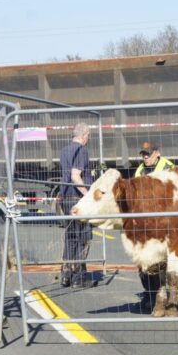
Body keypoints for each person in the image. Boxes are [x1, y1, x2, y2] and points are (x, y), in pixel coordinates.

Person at [134, 141, 174, 309]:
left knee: (164, 262)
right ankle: (150, 293)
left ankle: (167, 296)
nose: (145, 157)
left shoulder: (168, 168)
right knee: (144, 262)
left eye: (148, 154)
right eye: (143, 153)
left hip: (164, 222)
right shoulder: (140, 169)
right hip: (146, 222)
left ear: (157, 153)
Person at [59, 122, 96, 288]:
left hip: (66, 198)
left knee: (70, 237)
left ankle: (66, 274)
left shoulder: (64, 151)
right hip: (78, 199)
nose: (88, 139)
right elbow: (75, 176)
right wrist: (87, 195)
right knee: (83, 238)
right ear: (84, 135)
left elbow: (67, 175)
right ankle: (79, 277)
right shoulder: (82, 150)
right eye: (88, 136)